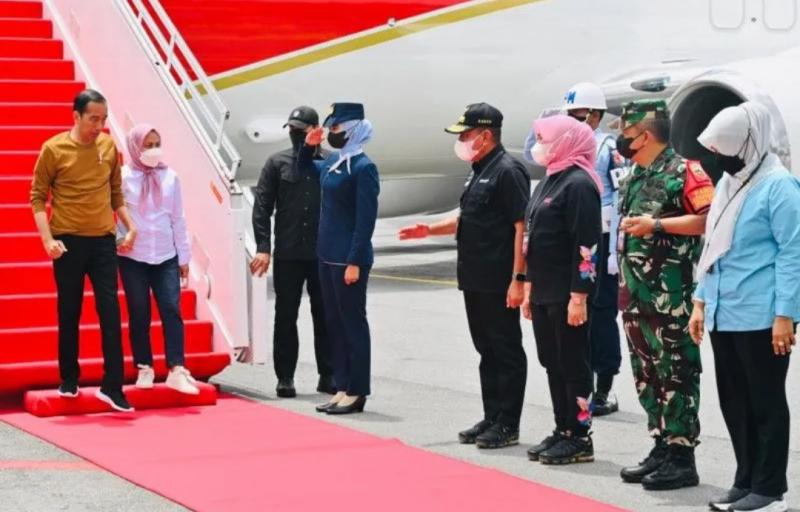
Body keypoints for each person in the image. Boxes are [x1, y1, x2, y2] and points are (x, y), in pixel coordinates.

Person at [399, 103, 530, 449]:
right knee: (486, 349)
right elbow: (467, 217)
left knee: (505, 350)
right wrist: (428, 229)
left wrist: (518, 278)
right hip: (474, 277)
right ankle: (492, 415)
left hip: (498, 278)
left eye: (466, 134)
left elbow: (521, 227)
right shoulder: (478, 169)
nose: (462, 140)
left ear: (486, 135)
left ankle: (508, 423)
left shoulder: (508, 171)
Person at [690, 102, 799, 512]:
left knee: (765, 402)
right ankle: (745, 479)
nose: (720, 158)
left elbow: (793, 253)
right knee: (734, 400)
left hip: (761, 315)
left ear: (750, 143)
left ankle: (770, 491)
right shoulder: (730, 183)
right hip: (723, 311)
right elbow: (712, 245)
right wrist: (700, 301)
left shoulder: (778, 186)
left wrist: (785, 315)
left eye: (727, 149)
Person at [615, 99, 714, 490]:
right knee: (647, 374)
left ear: (646, 133)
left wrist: (657, 224)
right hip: (636, 298)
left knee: (677, 374)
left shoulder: (686, 171)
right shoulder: (635, 175)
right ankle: (660, 443)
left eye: (626, 134)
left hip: (670, 298)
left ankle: (682, 455)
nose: (622, 140)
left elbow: (707, 220)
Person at [30, 89, 135, 412]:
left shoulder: (107, 146)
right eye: (93, 119)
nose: (99, 126)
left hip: (103, 241)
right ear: (76, 116)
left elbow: (115, 193)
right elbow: (37, 197)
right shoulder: (54, 149)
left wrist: (129, 226)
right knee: (70, 310)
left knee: (110, 312)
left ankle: (113, 386)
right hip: (68, 241)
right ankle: (69, 378)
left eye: (103, 119)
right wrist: (48, 240)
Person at [521, 114, 602, 464]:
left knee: (573, 364)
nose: (539, 145)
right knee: (552, 361)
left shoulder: (580, 184)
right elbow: (534, 238)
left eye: (545, 138)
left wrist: (579, 296)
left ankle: (581, 435)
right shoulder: (550, 179)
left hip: (569, 294)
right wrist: (528, 288)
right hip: (543, 291)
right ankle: (563, 427)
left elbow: (586, 245)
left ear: (567, 141)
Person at [251, 106, 334, 398]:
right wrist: (263, 247)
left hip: (322, 252)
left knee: (324, 315)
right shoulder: (277, 163)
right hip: (288, 253)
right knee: (285, 316)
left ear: (316, 129)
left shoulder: (329, 162)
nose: (296, 135)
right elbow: (262, 206)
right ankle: (285, 377)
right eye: (293, 130)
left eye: (302, 129)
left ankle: (329, 374)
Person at [302, 103, 379, 415]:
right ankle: (342, 385)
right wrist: (308, 149)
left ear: (353, 129)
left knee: (352, 324)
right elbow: (307, 170)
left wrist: (355, 261)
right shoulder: (336, 162)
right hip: (326, 256)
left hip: (348, 258)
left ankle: (357, 390)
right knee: (333, 323)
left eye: (336, 129)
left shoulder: (363, 168)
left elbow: (365, 221)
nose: (331, 133)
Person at [117, 124, 198, 395]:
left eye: (156, 144)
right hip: (133, 256)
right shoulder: (122, 177)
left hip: (165, 255)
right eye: (147, 145)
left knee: (171, 310)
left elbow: (178, 218)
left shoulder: (170, 177)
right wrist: (120, 241)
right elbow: (114, 213)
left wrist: (184, 256)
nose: (153, 150)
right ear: (134, 147)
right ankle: (144, 366)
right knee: (139, 312)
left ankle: (176, 368)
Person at [561, 82, 623, 416]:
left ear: (597, 117)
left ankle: (605, 387)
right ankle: (580, 380)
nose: (574, 122)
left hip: (601, 239)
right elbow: (530, 154)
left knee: (601, 315)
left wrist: (614, 251)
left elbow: (620, 198)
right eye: (568, 116)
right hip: (575, 240)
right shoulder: (565, 147)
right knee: (574, 315)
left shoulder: (607, 148)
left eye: (580, 116)